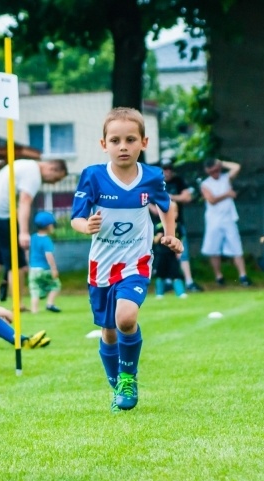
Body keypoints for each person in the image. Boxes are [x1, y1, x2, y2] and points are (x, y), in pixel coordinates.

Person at [71, 107, 182, 413]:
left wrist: (169, 234)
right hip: (102, 266)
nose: (123, 146)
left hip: (136, 262)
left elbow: (166, 205)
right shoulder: (93, 176)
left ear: (143, 143)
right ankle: (115, 378)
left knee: (126, 318)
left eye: (130, 139)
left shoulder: (152, 177)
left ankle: (128, 377)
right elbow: (75, 219)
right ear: (103, 144)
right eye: (116, 140)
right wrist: (86, 226)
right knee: (108, 330)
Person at [0, 158, 68, 304]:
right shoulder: (34, 175)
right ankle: (18, 304)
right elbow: (25, 201)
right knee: (15, 262)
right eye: (56, 179)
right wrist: (23, 232)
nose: (53, 183)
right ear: (52, 169)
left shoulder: (24, 164)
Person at [200, 158, 252, 287]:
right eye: (212, 171)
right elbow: (211, 200)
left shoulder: (225, 178)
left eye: (216, 170)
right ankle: (219, 276)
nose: (215, 173)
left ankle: (243, 275)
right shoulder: (206, 184)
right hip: (214, 220)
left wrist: (221, 162)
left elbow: (237, 167)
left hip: (228, 218)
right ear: (207, 172)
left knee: (236, 247)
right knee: (213, 249)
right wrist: (227, 194)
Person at [159, 159, 202, 292]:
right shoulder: (156, 183)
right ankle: (166, 281)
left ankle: (189, 281)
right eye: (165, 169)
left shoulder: (178, 181)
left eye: (169, 169)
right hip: (160, 225)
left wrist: (169, 196)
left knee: (182, 252)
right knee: (163, 254)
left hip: (178, 224)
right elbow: (150, 202)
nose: (167, 171)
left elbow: (187, 197)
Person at [29, 211, 62, 313]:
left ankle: (34, 310)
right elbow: (49, 255)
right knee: (56, 285)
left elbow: (29, 251)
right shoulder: (46, 240)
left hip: (33, 269)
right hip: (44, 269)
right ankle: (50, 303)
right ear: (48, 226)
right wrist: (54, 269)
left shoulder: (33, 237)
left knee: (35, 289)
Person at [152, 202, 187, 299]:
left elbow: (181, 239)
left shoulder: (178, 227)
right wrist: (159, 237)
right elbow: (154, 241)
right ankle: (159, 293)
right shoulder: (159, 226)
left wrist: (179, 251)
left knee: (176, 273)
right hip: (161, 254)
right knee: (160, 273)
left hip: (172, 254)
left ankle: (180, 293)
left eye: (175, 212)